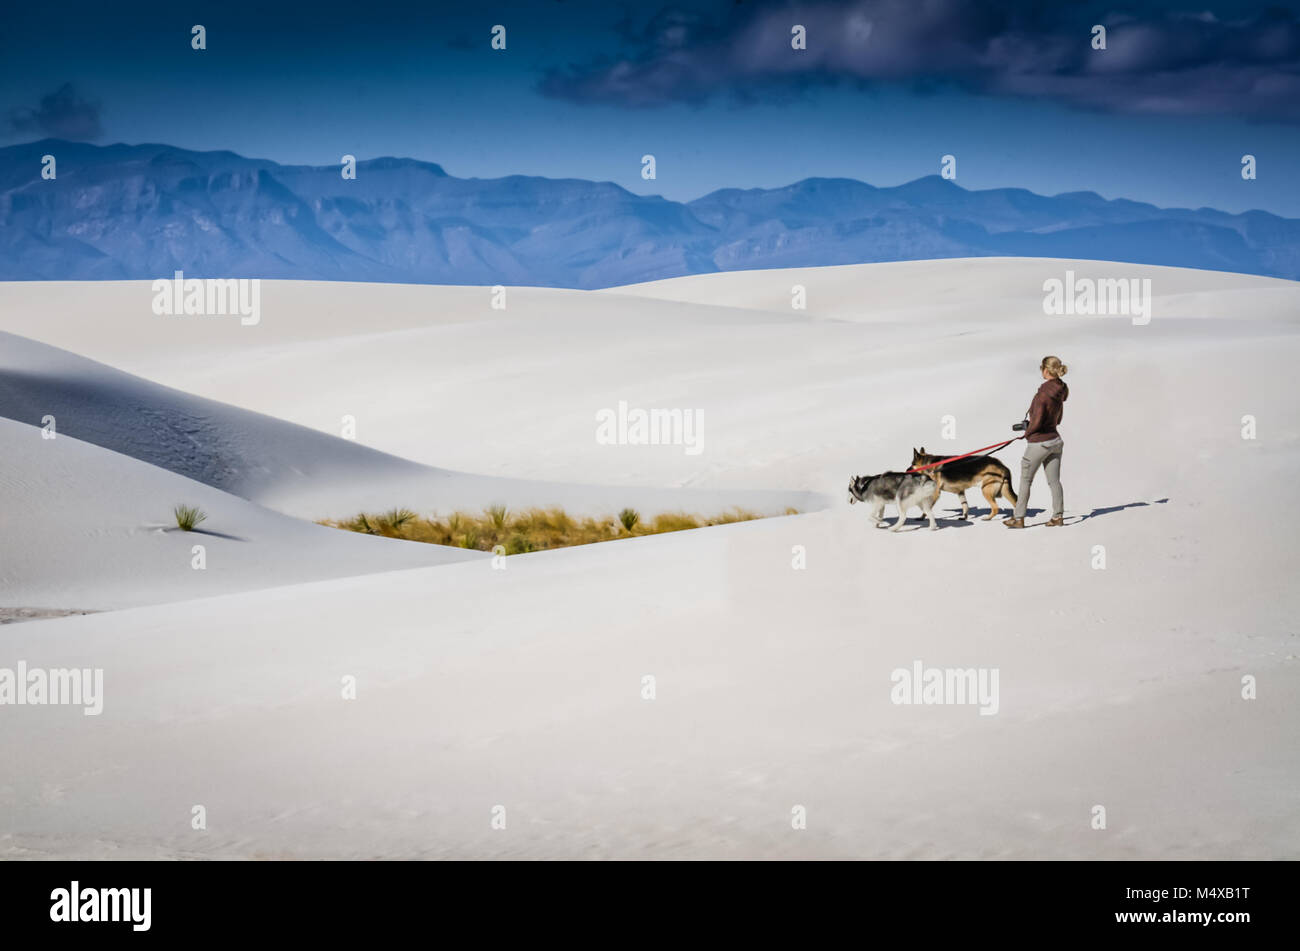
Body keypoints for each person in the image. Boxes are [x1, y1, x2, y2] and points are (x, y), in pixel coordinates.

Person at [1005, 356, 1068, 528]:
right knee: (1054, 481)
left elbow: (1038, 420)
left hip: (1039, 442)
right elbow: (1058, 418)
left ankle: (1018, 518)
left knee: (1026, 480)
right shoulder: (1060, 390)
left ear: (1046, 370)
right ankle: (1058, 516)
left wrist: (1027, 433)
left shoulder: (1043, 394)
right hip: (1055, 440)